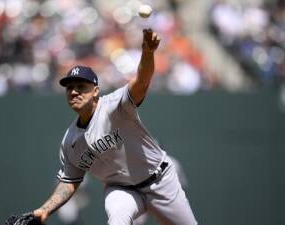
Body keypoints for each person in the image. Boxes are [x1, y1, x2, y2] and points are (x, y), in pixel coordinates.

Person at [31, 29, 197, 225]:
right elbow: (69, 182)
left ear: (95, 91)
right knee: (118, 220)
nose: (74, 92)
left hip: (160, 181)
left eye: (81, 87)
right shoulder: (70, 141)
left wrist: (148, 53)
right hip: (121, 189)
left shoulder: (114, 106)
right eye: (69, 88)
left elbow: (142, 83)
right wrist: (44, 210)